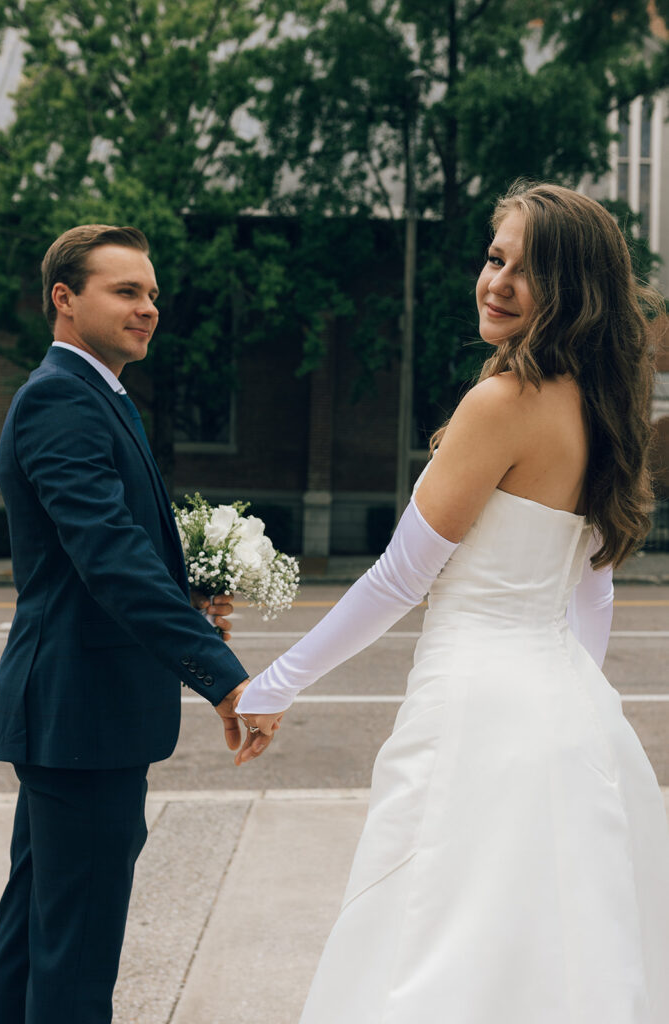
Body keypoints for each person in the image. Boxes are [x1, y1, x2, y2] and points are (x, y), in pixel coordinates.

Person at [235, 182, 669, 1021]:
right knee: (542, 953)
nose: (495, 283)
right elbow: (593, 592)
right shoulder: (603, 411)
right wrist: (575, 704)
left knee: (432, 946)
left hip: (477, 710)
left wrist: (275, 683)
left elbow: (400, 578)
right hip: (572, 715)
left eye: (525, 270)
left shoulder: (501, 403)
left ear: (571, 290)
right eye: (493, 257)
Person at [0, 224, 268, 1024]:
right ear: (65, 300)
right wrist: (221, 677)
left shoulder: (96, 395)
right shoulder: (58, 400)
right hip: (80, 711)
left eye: (150, 294)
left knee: (37, 927)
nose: (148, 308)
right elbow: (108, 557)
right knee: (75, 951)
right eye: (126, 291)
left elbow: (106, 556)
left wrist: (184, 600)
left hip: (78, 713)